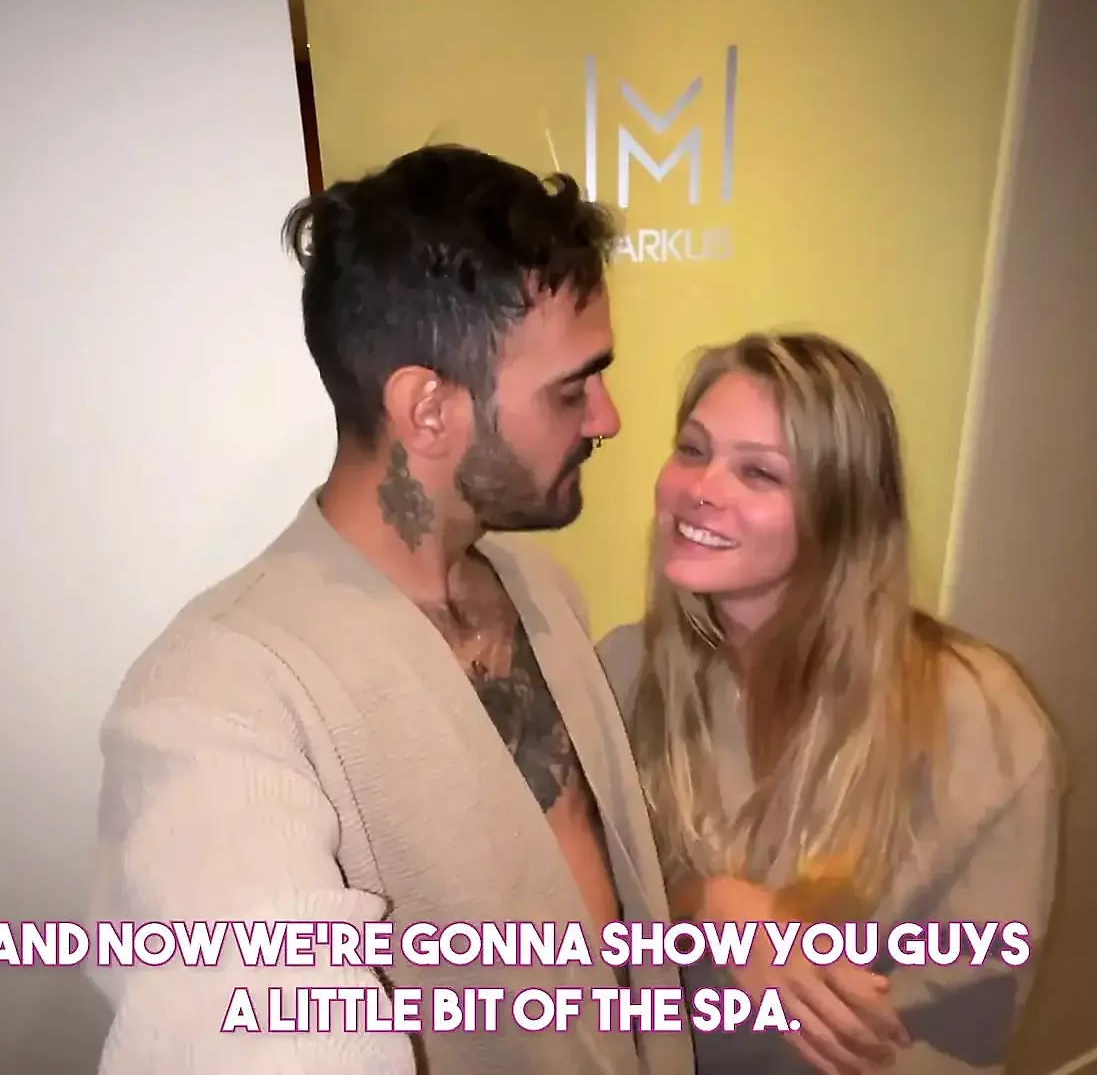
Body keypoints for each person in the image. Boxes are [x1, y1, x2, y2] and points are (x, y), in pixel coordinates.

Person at [84, 144, 695, 1075]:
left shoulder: (541, 589)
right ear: (428, 409)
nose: (607, 417)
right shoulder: (218, 697)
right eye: (572, 387)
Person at [598, 332, 1064, 1075]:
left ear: (844, 514)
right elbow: (575, 924)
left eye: (758, 472)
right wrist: (708, 903)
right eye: (692, 450)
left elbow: (964, 1026)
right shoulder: (619, 672)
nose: (701, 489)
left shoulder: (978, 719)